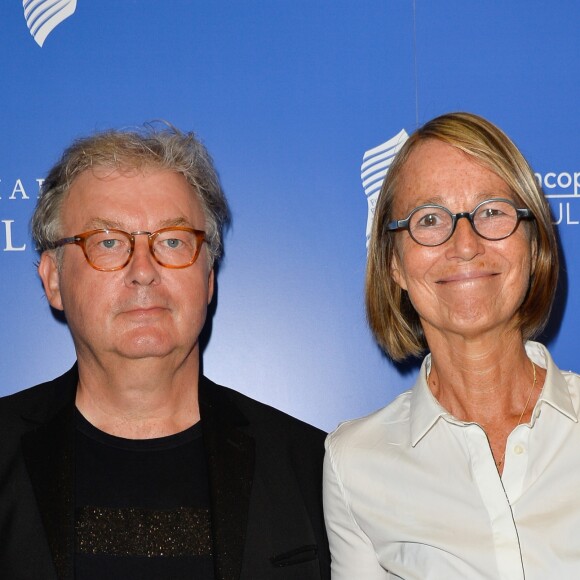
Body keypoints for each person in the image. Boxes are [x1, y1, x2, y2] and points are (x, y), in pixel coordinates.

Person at [0, 124, 330, 579]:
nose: (143, 271)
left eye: (173, 241)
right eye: (108, 242)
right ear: (53, 279)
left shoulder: (313, 468)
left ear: (209, 279)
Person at [323, 112, 580, 579]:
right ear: (395, 265)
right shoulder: (355, 464)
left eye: (492, 211)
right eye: (430, 218)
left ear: (533, 243)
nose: (465, 243)